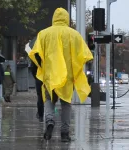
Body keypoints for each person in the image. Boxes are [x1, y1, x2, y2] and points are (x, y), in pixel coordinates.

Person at [28, 8, 93, 142]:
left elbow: (34, 53)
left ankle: (50, 121)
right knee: (66, 104)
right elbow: (85, 54)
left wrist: (42, 67)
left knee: (49, 100)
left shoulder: (44, 34)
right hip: (67, 77)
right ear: (67, 18)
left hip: (50, 75)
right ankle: (65, 133)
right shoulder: (74, 35)